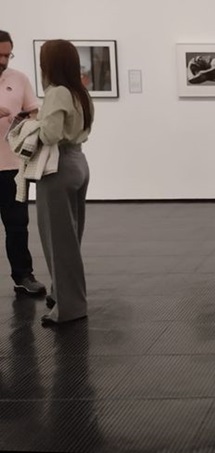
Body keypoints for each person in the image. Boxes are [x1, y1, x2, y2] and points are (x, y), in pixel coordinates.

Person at [35, 39, 94, 326]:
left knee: (58, 242)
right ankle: (63, 294)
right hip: (79, 162)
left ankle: (69, 308)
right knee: (70, 238)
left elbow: (50, 135)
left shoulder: (57, 92)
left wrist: (32, 124)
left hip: (58, 167)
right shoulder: (79, 91)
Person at [0, 30, 47, 296]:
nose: (3, 60)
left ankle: (23, 275)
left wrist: (26, 120)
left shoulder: (19, 79)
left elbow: (34, 111)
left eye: (8, 55)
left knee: (17, 225)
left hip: (12, 167)